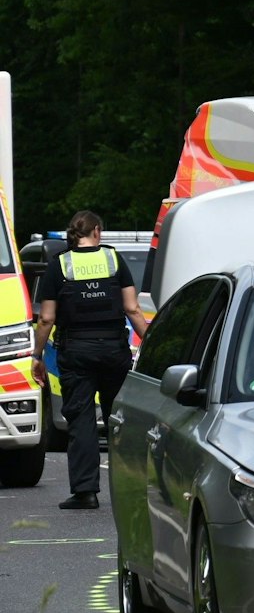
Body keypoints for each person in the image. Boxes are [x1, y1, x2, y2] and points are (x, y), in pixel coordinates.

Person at [32, 211, 149, 510]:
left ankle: (85, 492)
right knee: (120, 420)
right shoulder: (113, 260)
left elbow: (46, 318)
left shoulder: (59, 265)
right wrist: (153, 342)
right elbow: (133, 310)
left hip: (76, 352)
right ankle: (133, 489)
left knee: (81, 420)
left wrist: (37, 356)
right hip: (113, 350)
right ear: (97, 231)